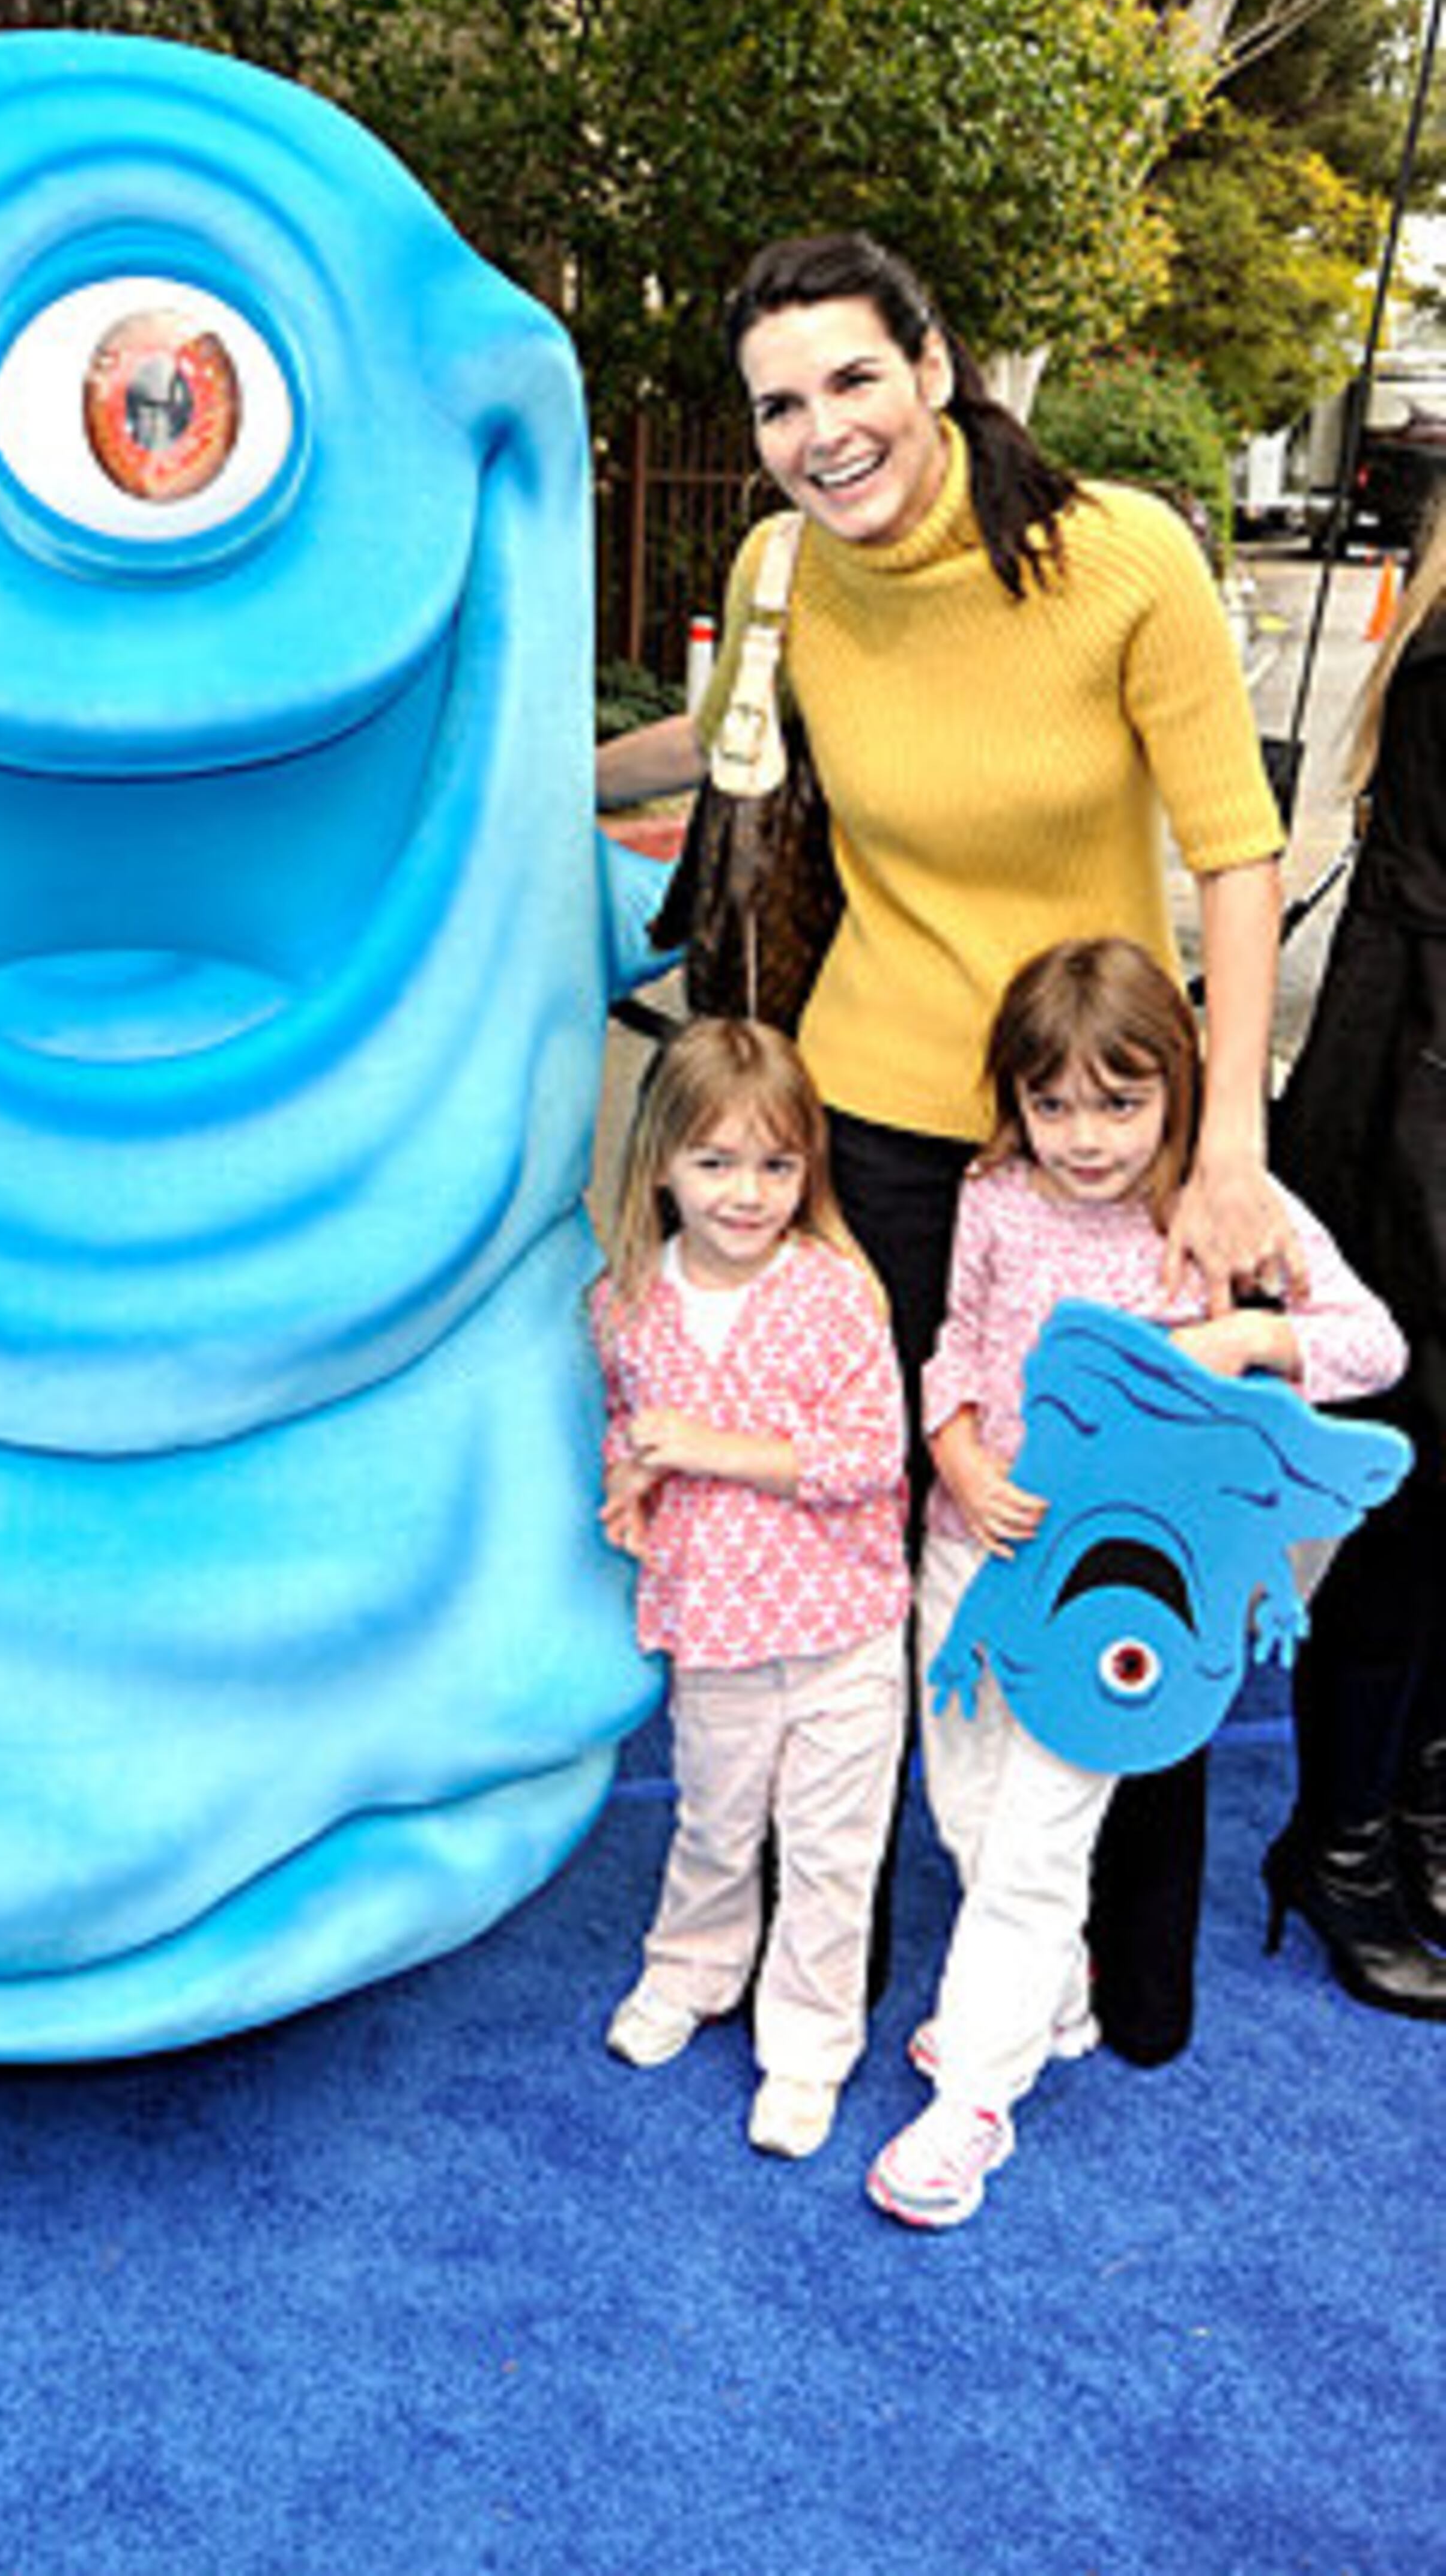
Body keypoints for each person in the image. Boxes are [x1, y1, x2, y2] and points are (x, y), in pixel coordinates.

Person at [597, 231, 1302, 2067]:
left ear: (935, 364)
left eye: (852, 378)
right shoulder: (779, 574)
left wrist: (1224, 1141)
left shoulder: (1122, 555)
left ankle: (1106, 1961)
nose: (822, 432)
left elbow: (1237, 851)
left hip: (1090, 1125)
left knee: (1109, 1526)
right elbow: (727, 747)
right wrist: (520, 760)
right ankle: (835, 1939)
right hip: (870, 1118)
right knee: (872, 1518)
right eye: (777, 403)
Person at [866, 939, 1405, 2229]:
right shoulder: (997, 1194)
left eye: (1119, 1102)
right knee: (971, 1815)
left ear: (1179, 1088)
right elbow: (954, 1349)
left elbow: (1373, 1345)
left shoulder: (1220, 1213)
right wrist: (953, 1452)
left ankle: (973, 2104)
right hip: (978, 1554)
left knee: (1038, 1848)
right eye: (1052, 1104)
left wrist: (1246, 1335)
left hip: (1125, 1611)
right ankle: (1050, 1998)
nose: (1084, 1137)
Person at [591, 1017, 910, 2160]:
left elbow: (870, 1459)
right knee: (716, 1830)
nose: (747, 1193)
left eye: (777, 1165)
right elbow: (635, 1429)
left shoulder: (833, 1293)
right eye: (716, 1163)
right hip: (715, 1635)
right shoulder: (625, 1303)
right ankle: (690, 1973)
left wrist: (706, 1447)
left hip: (846, 1639)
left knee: (831, 1856)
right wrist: (631, 1477)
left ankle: (810, 2049)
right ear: (662, 1162)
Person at [1264, 513, 1446, 2016]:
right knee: (1416, 1504)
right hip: (1412, 1124)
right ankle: (1344, 1846)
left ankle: (1417, 1819)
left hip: (1410, 1088)